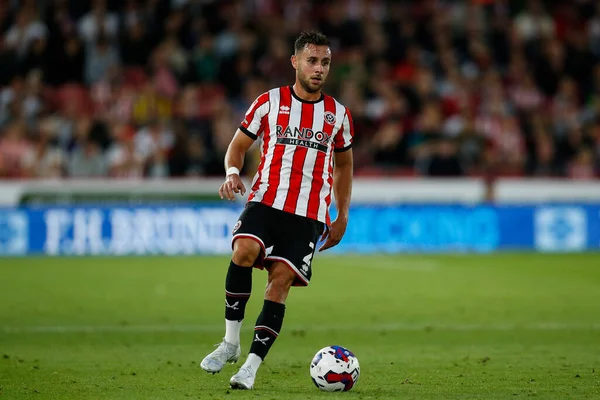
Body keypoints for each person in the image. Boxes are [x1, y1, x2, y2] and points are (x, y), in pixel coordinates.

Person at [200, 30, 354, 390]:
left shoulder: (338, 115)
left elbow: (344, 166)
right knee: (243, 251)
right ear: (295, 62)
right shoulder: (269, 102)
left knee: (279, 283)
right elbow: (237, 145)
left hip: (308, 215)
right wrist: (233, 173)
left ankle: (251, 366)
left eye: (325, 62)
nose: (319, 69)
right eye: (312, 61)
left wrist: (342, 214)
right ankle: (230, 343)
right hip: (266, 201)